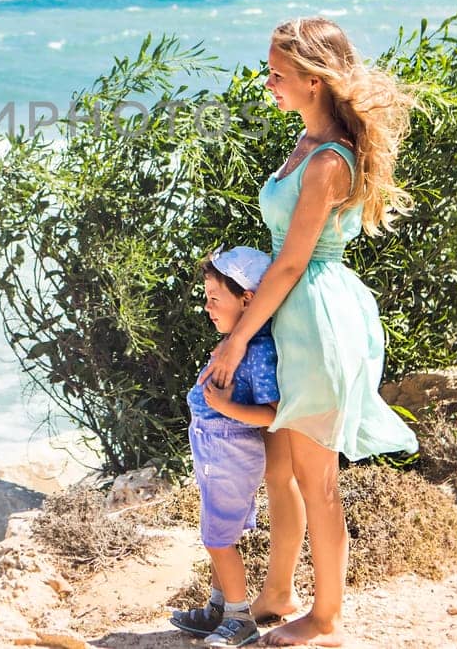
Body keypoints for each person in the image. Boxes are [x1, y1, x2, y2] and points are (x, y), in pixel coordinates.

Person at [204, 17, 419, 647]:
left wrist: (239, 335)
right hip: (291, 314)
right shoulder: (306, 143)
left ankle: (325, 619)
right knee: (281, 469)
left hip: (314, 318)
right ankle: (277, 593)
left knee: (316, 479)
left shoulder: (328, 160)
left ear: (315, 80)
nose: (267, 82)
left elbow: (294, 259)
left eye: (277, 73)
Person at [169, 247, 281, 647]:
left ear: (247, 299)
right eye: (206, 297)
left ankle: (239, 616)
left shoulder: (258, 351)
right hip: (215, 451)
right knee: (220, 535)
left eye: (215, 298)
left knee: (217, 540)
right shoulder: (236, 343)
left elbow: (272, 413)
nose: (207, 307)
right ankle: (218, 607)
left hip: (232, 452)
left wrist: (225, 406)